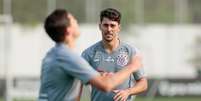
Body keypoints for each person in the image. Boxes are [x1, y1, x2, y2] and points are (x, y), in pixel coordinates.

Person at [38, 9, 142, 101]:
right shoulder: (67, 57)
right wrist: (132, 66)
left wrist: (98, 76)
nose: (76, 21)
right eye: (73, 20)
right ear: (68, 30)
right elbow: (107, 85)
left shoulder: (54, 54)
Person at [82, 8, 148, 101]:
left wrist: (128, 92)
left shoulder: (130, 51)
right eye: (105, 25)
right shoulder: (88, 53)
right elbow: (78, 82)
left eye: (112, 25)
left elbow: (143, 83)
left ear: (119, 28)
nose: (109, 29)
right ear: (100, 26)